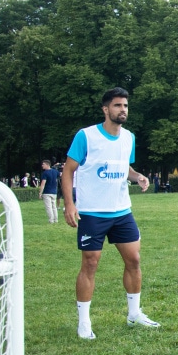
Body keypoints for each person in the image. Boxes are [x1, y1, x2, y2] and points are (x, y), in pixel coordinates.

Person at [62, 87, 160, 340]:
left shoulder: (129, 138)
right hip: (93, 213)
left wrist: (137, 176)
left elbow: (123, 166)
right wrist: (70, 205)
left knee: (134, 260)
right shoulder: (86, 136)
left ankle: (134, 313)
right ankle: (84, 322)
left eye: (125, 106)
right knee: (90, 263)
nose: (122, 110)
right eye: (117, 106)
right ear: (106, 109)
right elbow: (68, 171)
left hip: (121, 211)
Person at [38, 159, 60, 224]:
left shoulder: (45, 173)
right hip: (54, 191)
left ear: (47, 165)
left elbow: (43, 183)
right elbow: (59, 176)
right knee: (54, 207)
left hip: (47, 192)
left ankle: (51, 220)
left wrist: (40, 193)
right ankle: (56, 219)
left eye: (43, 164)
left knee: (49, 207)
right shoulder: (55, 171)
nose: (42, 165)